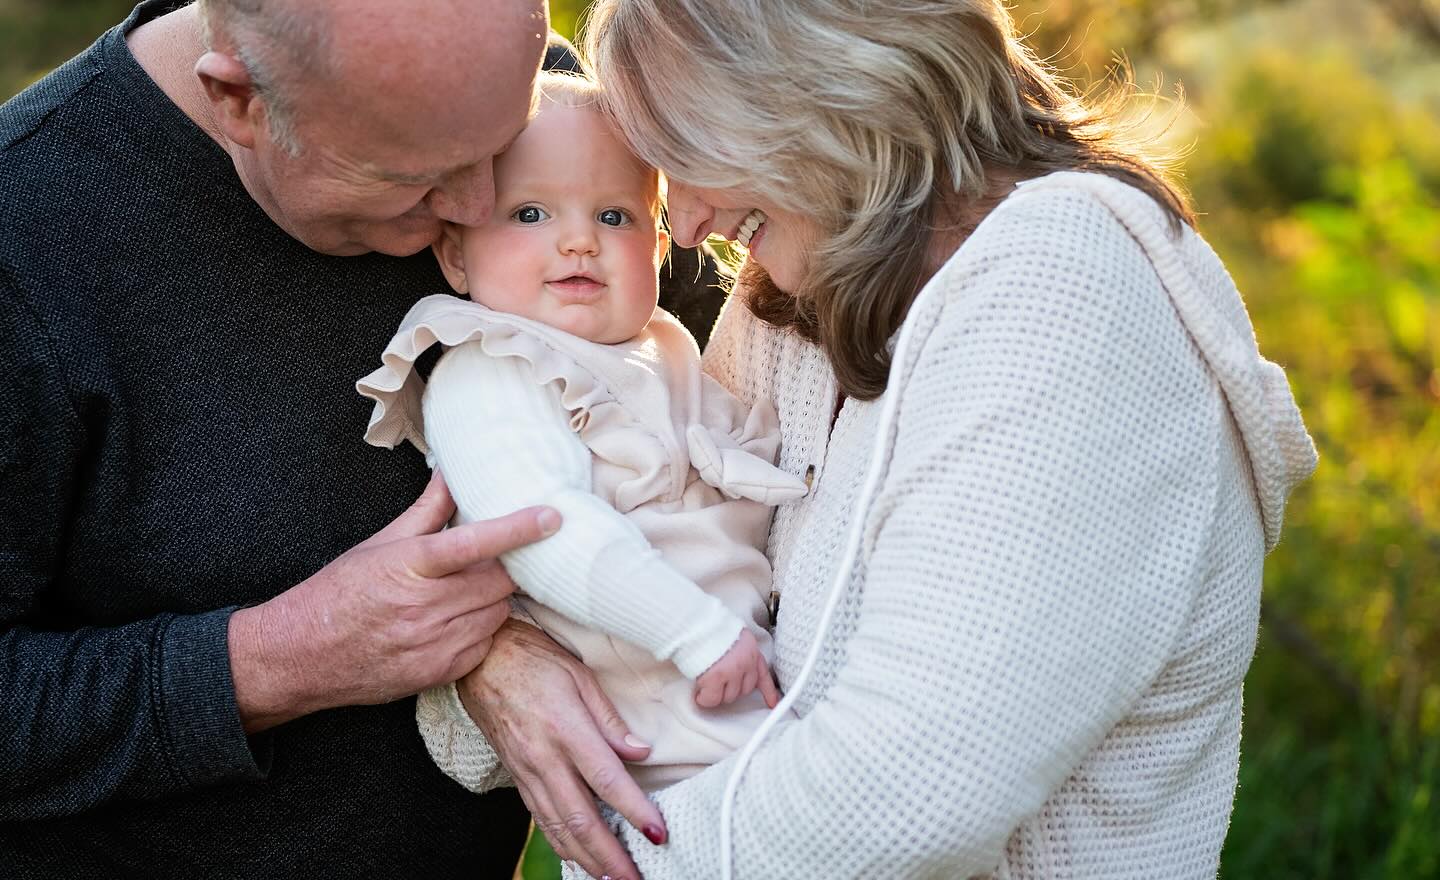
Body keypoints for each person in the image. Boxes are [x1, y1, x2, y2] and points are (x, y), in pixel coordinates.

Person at [439, 1, 1322, 879]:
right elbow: (658, 541)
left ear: (804, 81)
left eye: (687, 152)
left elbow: (912, 789)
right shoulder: (799, 298)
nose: (687, 225)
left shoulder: (1066, 293)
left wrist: (615, 857)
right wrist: (491, 660)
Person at [0, 1, 720, 876]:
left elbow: (692, 394)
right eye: (421, 177)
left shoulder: (487, 87)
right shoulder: (25, 244)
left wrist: (490, 635)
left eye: (498, 145)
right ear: (240, 103)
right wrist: (275, 659)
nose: (478, 205)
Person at [354, 72, 804, 796]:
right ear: (456, 256)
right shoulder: (492, 370)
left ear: (659, 249)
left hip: (738, 697)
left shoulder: (660, 347)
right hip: (660, 729)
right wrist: (698, 634)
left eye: (614, 217)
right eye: (530, 213)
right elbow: (540, 530)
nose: (577, 243)